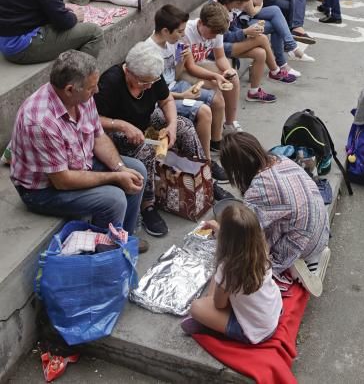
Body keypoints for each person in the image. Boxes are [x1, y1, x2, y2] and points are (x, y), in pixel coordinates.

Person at [10, 50, 147, 248]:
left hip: (78, 163)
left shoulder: (81, 96)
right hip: (43, 190)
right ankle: (104, 252)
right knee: (114, 199)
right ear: (69, 89)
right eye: (92, 88)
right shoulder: (40, 122)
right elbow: (62, 181)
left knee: (136, 171)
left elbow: (98, 136)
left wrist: (120, 168)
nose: (97, 91)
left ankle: (123, 238)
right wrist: (115, 177)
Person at [94, 41, 206, 238]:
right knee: (145, 148)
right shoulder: (110, 82)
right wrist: (121, 125)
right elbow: (94, 120)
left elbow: (166, 100)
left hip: (145, 119)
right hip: (115, 130)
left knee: (184, 126)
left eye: (151, 83)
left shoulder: (152, 74)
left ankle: (203, 178)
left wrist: (171, 125)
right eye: (143, 82)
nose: (147, 87)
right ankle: (148, 205)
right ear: (128, 71)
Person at [219, 133, 330, 295]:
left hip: (303, 243)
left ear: (236, 169)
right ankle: (311, 260)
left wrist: (222, 232)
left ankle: (293, 264)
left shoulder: (257, 190)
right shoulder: (280, 159)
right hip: (321, 230)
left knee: (249, 250)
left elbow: (248, 234)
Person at [181, 203, 282, 344]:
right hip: (273, 312)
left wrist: (211, 300)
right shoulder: (262, 249)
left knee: (196, 308)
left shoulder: (228, 268)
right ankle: (212, 318)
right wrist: (221, 230)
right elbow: (243, 238)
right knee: (220, 283)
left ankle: (209, 325)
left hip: (253, 331)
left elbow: (220, 305)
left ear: (225, 240)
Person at [147, 4, 227, 181]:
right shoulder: (150, 54)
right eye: (180, 32)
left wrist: (180, 61)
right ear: (166, 31)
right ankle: (206, 164)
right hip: (163, 99)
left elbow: (173, 76)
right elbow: (154, 94)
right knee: (204, 111)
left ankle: (215, 143)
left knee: (216, 99)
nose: (183, 36)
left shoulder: (173, 44)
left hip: (175, 87)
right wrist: (184, 96)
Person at [216, 0, 294, 101]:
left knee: (260, 53)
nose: (248, 4)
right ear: (237, 2)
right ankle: (275, 71)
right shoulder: (219, 12)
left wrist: (246, 32)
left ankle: (254, 92)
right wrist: (245, 33)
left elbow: (232, 29)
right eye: (246, 1)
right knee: (261, 38)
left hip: (225, 44)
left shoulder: (229, 8)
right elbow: (224, 37)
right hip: (217, 48)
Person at [181, 1, 242, 135]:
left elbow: (220, 57)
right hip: (183, 70)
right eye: (212, 33)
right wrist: (215, 76)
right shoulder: (186, 32)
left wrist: (228, 70)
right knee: (214, 85)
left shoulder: (216, 30)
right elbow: (190, 67)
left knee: (233, 79)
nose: (214, 36)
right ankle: (215, 133)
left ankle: (230, 123)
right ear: (201, 23)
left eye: (217, 34)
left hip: (201, 64)